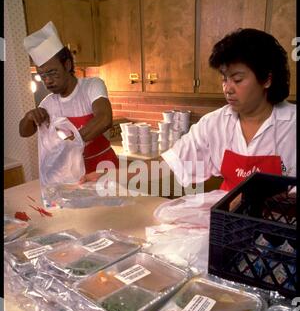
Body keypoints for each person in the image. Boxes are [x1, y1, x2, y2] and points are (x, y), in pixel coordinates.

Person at [81, 28, 296, 192]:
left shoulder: (291, 126)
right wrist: (113, 175)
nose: (227, 88)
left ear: (267, 79)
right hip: (227, 225)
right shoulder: (215, 124)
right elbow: (169, 163)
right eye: (224, 79)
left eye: (237, 79)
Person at [19, 21, 119, 176]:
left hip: (103, 168)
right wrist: (28, 118)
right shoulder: (48, 103)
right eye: (42, 75)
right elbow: (24, 132)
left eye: (52, 73)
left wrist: (70, 145)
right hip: (74, 172)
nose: (47, 81)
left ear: (67, 65)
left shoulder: (91, 86)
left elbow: (105, 118)